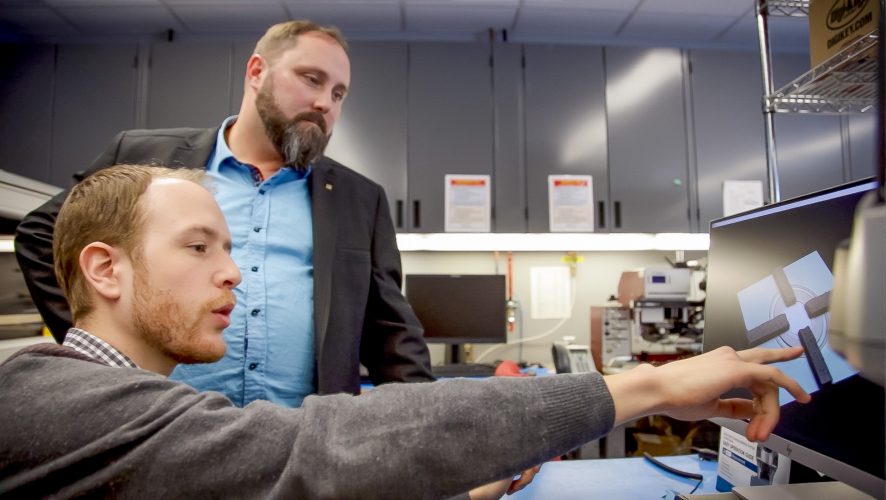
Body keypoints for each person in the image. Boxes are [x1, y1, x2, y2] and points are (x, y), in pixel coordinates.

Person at [0, 165, 811, 499]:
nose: (235, 274)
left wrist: (465, 480)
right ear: (105, 271)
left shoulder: (118, 403)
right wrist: (659, 384)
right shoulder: (38, 400)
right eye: (199, 247)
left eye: (233, 248)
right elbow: (311, 449)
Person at [14, 19, 434, 408]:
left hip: (301, 450)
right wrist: (101, 344)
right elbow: (39, 237)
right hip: (156, 429)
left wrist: (434, 433)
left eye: (338, 93)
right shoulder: (146, 158)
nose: (324, 102)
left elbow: (392, 336)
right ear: (256, 72)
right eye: (311, 79)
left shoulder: (359, 198)